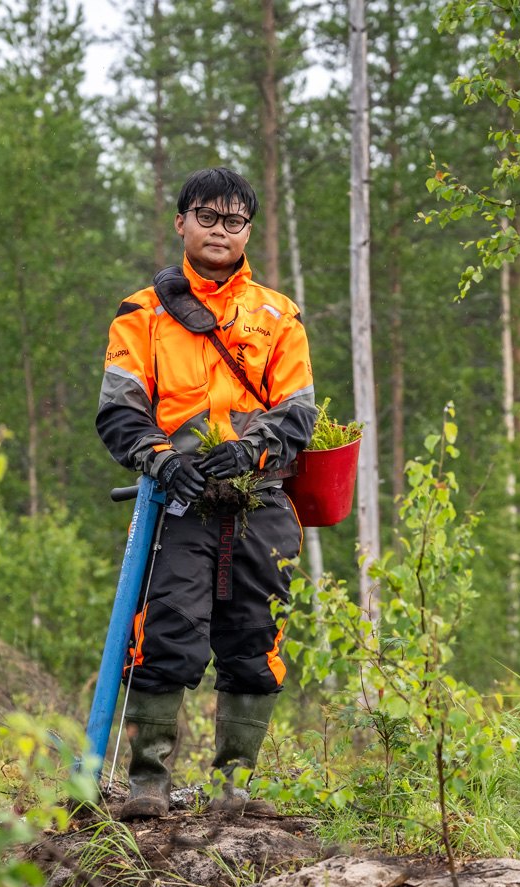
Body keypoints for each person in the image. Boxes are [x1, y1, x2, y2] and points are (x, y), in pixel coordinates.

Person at [96, 167, 318, 820]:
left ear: (249, 230)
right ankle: (147, 785)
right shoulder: (141, 315)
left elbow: (299, 411)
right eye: (208, 217)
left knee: (256, 642)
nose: (221, 231)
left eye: (235, 220)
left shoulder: (278, 315)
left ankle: (232, 789)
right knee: (165, 636)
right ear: (181, 223)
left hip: (261, 503)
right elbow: (118, 409)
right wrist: (161, 461)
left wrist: (252, 450)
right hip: (177, 505)